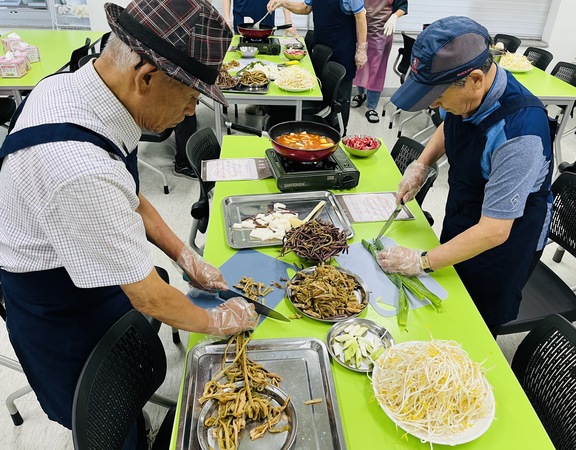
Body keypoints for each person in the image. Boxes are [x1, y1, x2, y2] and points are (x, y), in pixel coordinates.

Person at [0, 0, 258, 434]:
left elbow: (131, 198)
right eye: (191, 97)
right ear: (147, 77)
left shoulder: (88, 91)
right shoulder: (78, 168)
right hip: (57, 303)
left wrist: (186, 257)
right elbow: (151, 298)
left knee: (128, 387)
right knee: (105, 423)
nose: (189, 113)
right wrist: (222, 320)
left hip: (90, 260)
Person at [380, 16, 554, 332]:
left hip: (504, 237)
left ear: (475, 79)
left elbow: (493, 231)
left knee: (472, 321)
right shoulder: (465, 94)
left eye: (438, 97)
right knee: (448, 290)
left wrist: (421, 262)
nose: (434, 104)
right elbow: (450, 125)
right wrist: (422, 164)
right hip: (468, 204)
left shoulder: (520, 134)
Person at [267, 0, 367, 132]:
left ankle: (339, 133)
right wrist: (284, 3)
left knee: (340, 98)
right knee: (322, 92)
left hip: (343, 49)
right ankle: (320, 130)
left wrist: (361, 49)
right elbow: (305, 8)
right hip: (322, 46)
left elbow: (360, 17)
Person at [223, 0, 297, 115]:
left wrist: (288, 20)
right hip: (242, 18)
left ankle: (262, 100)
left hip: (265, 16)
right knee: (240, 61)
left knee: (266, 62)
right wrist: (226, 18)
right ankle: (243, 88)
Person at [351, 0, 408, 123]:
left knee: (376, 69)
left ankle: (371, 107)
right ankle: (361, 95)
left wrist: (394, 16)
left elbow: (403, 5)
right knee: (360, 65)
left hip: (381, 31)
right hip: (361, 28)